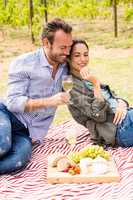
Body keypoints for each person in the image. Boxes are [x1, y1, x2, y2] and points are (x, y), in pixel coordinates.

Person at [0, 18, 73, 174]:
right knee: (2, 145)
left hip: (26, 133)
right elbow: (13, 102)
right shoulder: (23, 63)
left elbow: (82, 84)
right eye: (62, 47)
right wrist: (50, 101)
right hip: (6, 114)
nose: (67, 52)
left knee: (18, 160)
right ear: (46, 43)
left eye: (69, 47)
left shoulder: (66, 66)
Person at [68, 39, 133, 147]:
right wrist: (96, 84)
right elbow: (98, 116)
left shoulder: (85, 76)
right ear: (69, 58)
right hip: (118, 129)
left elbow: (111, 95)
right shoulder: (71, 87)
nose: (83, 59)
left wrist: (121, 102)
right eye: (77, 55)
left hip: (127, 116)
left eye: (85, 54)